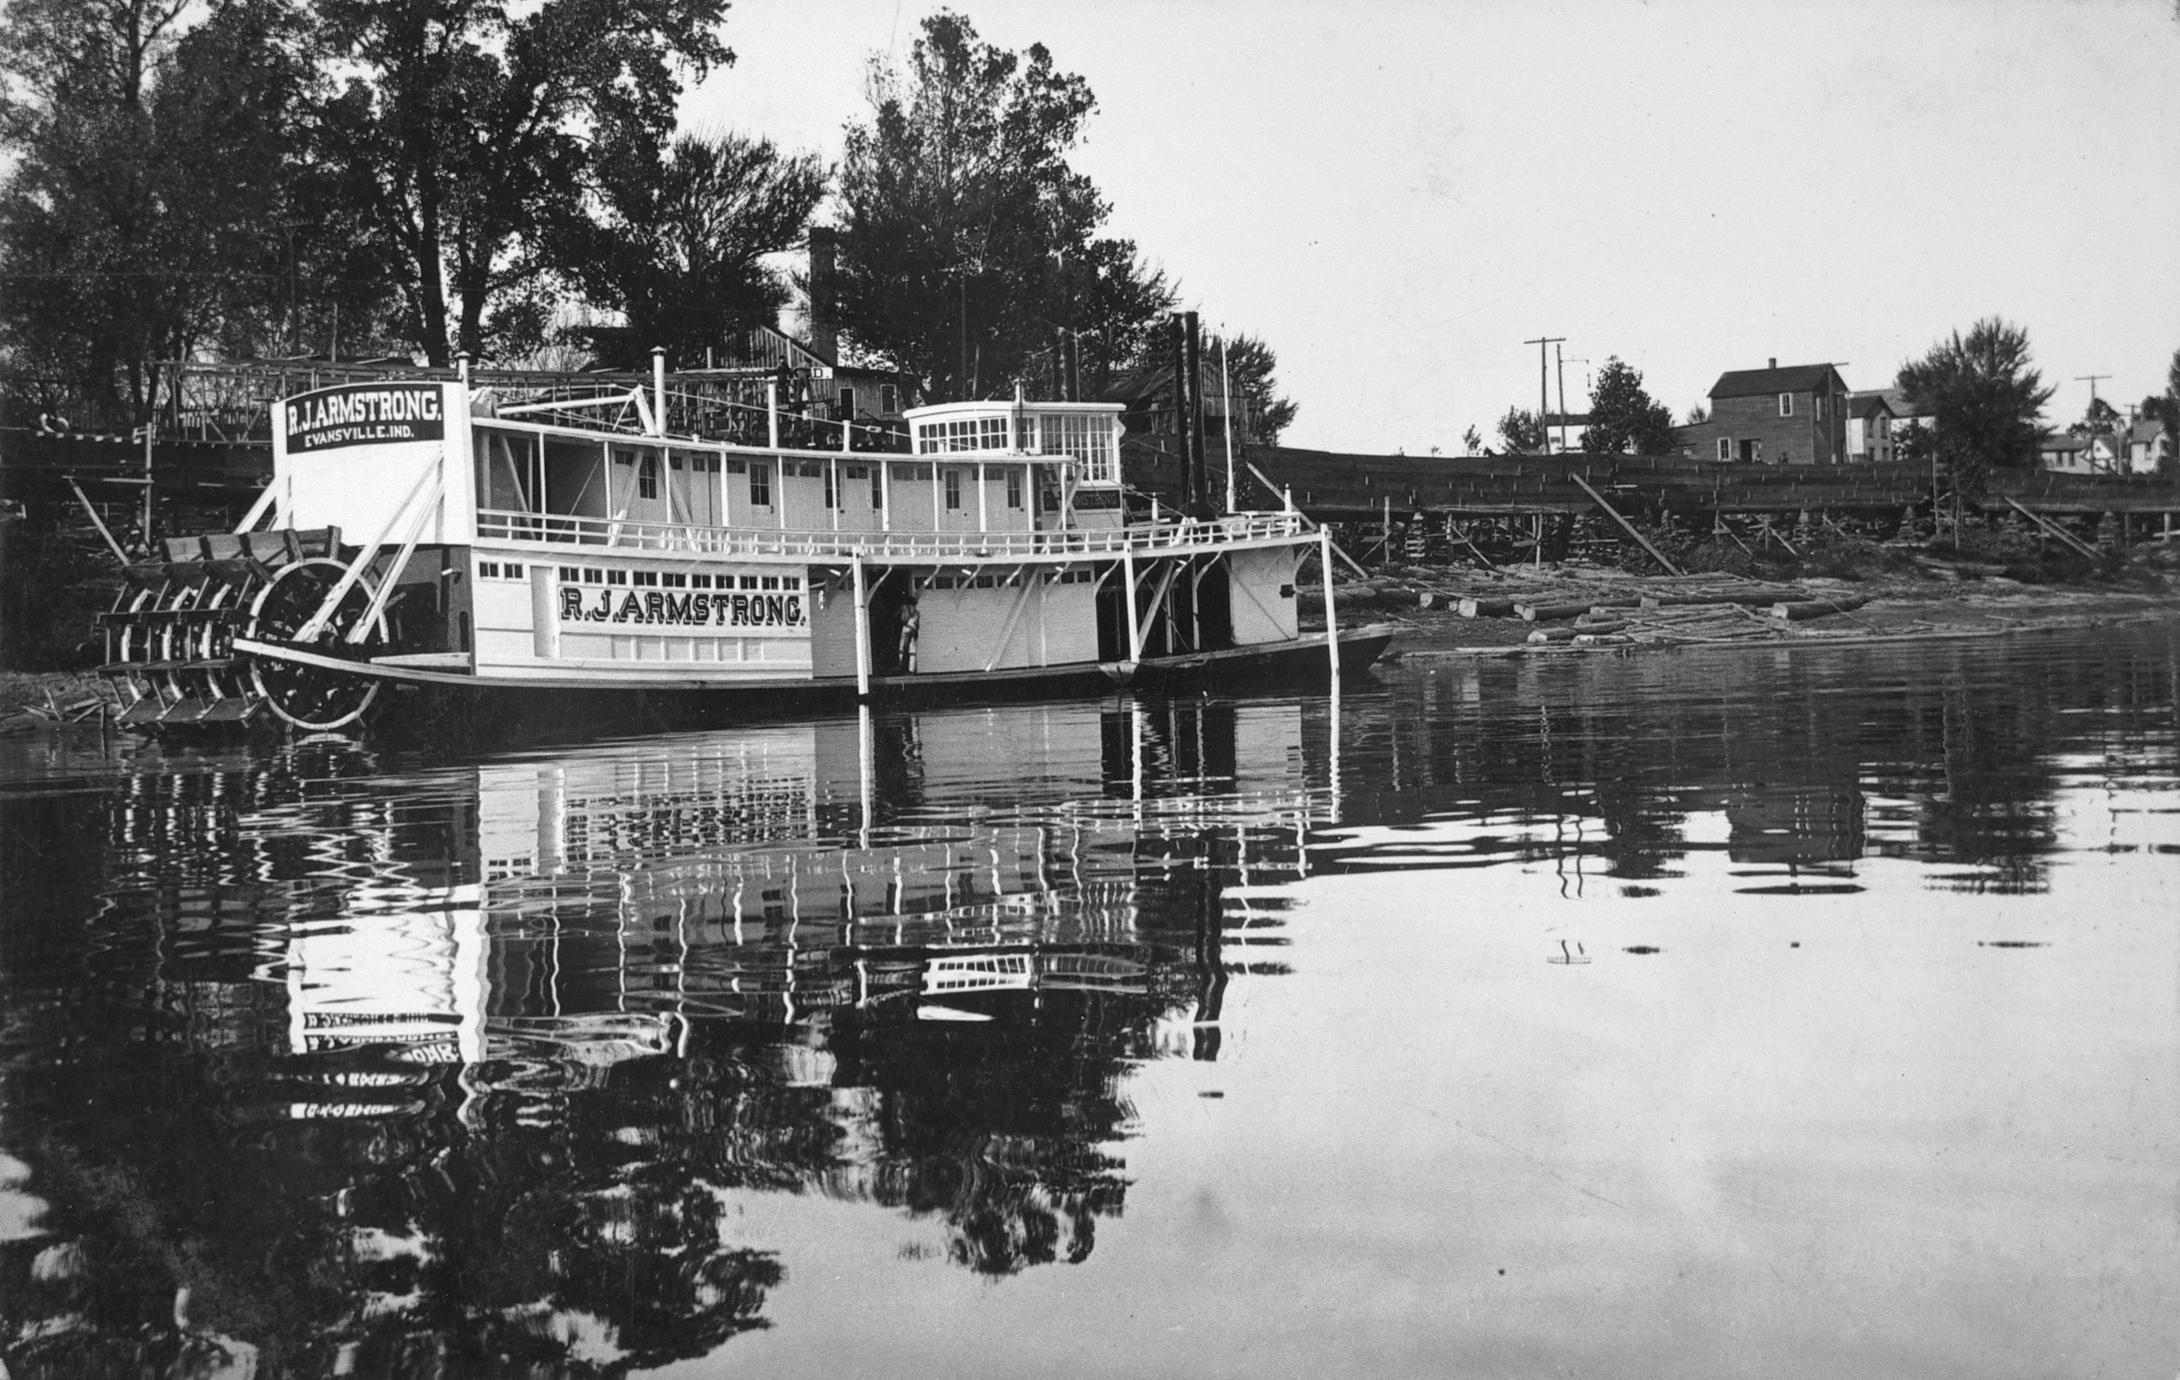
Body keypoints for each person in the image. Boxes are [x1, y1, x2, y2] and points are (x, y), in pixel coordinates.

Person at [896, 595, 920, 673]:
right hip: (914, 630)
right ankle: (911, 669)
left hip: (906, 629)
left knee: (902, 649)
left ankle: (900, 666)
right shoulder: (916, 612)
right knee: (912, 650)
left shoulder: (904, 608)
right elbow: (918, 625)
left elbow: (896, 616)